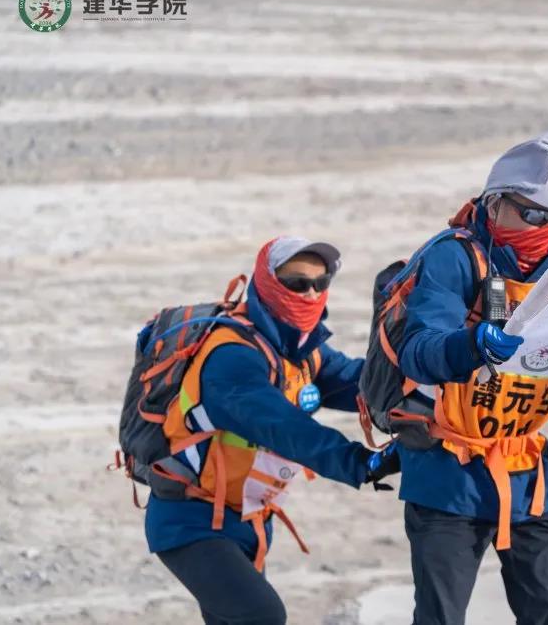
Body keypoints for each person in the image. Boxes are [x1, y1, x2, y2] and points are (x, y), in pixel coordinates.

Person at [394, 127, 548, 625]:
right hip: (448, 476)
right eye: (533, 214)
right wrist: (472, 344)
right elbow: (417, 351)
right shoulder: (453, 257)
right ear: (494, 204)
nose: (546, 227)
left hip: (529, 472)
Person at [144, 236, 400, 625]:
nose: (310, 293)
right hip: (192, 521)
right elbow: (282, 426)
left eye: (320, 283)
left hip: (248, 519)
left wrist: (429, 380)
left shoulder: (299, 350)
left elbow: (361, 383)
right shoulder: (231, 357)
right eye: (297, 283)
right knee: (262, 615)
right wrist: (362, 462)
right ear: (267, 285)